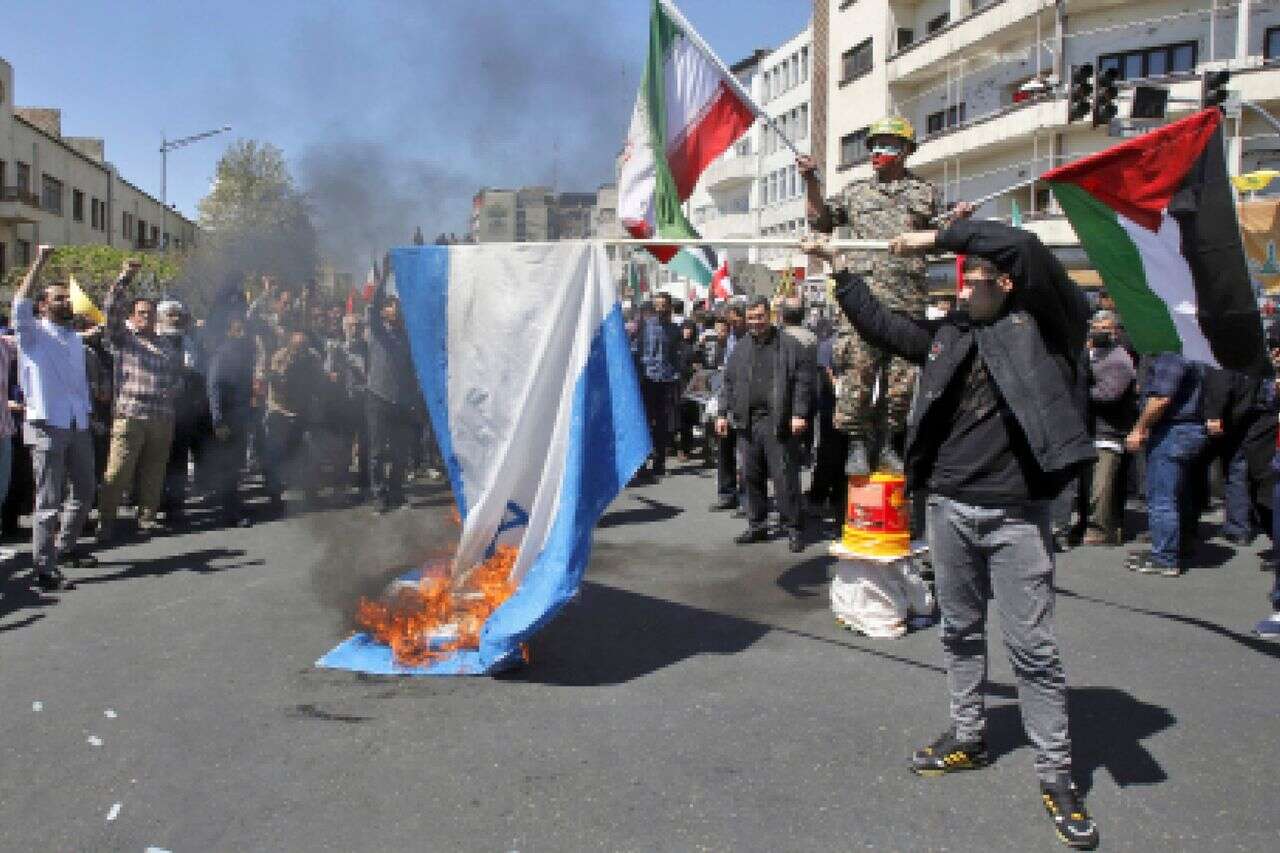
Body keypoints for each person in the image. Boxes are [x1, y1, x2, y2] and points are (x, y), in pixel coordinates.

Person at [804, 217, 1100, 850]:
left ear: (1006, 282)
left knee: (1033, 650)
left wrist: (937, 239)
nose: (966, 288)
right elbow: (884, 327)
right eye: (963, 282)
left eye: (978, 277)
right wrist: (838, 268)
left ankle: (1056, 775)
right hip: (947, 509)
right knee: (959, 630)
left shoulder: (1047, 326)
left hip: (1017, 515)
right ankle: (969, 737)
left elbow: (1023, 245)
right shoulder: (952, 335)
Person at [800, 116, 943, 475]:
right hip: (863, 298)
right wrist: (811, 181)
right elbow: (820, 221)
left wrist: (955, 223)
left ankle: (889, 443)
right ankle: (857, 444)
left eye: (887, 145)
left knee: (901, 382)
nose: (877, 152)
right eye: (874, 145)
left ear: (906, 151)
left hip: (906, 299)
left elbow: (940, 238)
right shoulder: (856, 192)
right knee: (858, 373)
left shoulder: (925, 193)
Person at [12, 247, 107, 590]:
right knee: (48, 501)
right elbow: (19, 303)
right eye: (58, 298)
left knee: (85, 490)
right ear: (42, 306)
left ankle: (65, 548)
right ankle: (43, 568)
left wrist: (89, 417)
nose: (67, 302)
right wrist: (40, 261)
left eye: (68, 298)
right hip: (47, 426)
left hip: (77, 424)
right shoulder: (32, 335)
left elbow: (78, 385)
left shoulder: (74, 340)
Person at [715, 296, 813, 553]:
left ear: (770, 315)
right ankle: (757, 525)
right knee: (751, 476)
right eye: (751, 318)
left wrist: (799, 413)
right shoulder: (740, 348)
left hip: (777, 421)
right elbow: (728, 382)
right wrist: (722, 413)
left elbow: (804, 382)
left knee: (784, 477)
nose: (755, 322)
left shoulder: (790, 345)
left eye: (759, 317)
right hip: (747, 422)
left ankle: (794, 528)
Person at [98, 276, 181, 540]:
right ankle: (106, 521)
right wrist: (124, 280)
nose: (147, 317)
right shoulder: (123, 339)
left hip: (162, 416)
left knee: (154, 473)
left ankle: (147, 519)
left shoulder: (166, 344)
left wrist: (175, 387)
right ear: (132, 317)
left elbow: (176, 376)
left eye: (150, 313)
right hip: (130, 415)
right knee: (118, 472)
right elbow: (111, 311)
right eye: (142, 313)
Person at [1125, 352, 1207, 576]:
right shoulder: (1195, 356)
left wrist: (1139, 428)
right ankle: (1179, 546)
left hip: (1173, 430)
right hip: (1190, 429)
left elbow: (1161, 399)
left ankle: (1164, 557)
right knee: (1181, 494)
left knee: (1162, 498)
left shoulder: (1171, 356)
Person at [365, 261, 423, 513]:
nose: (394, 309)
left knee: (400, 451)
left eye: (397, 305)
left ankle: (396, 491)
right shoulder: (378, 331)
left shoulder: (408, 337)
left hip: (403, 400)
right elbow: (372, 306)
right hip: (378, 397)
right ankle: (379, 495)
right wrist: (386, 275)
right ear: (383, 312)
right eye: (390, 305)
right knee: (378, 452)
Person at [1083, 311, 1136, 545]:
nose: (1099, 332)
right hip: (1092, 429)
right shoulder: (1092, 354)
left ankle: (1103, 530)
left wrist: (1080, 392)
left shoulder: (1119, 359)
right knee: (1094, 483)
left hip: (1110, 431)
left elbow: (1109, 394)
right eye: (1096, 327)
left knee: (1103, 486)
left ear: (1116, 331)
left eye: (1105, 328)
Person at [206, 314, 257, 527]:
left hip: (240, 417)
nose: (242, 334)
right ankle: (230, 512)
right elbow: (214, 387)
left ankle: (234, 504)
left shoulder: (244, 354)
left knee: (236, 466)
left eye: (244, 330)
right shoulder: (223, 354)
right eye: (238, 330)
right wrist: (218, 420)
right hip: (227, 418)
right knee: (228, 466)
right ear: (229, 332)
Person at [639, 292, 683, 481]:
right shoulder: (644, 327)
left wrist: (676, 376)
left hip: (666, 380)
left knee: (662, 424)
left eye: (663, 305)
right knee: (644, 421)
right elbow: (637, 350)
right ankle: (641, 463)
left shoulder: (674, 330)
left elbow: (676, 356)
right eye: (657, 305)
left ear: (669, 307)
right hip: (647, 379)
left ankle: (659, 463)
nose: (660, 309)